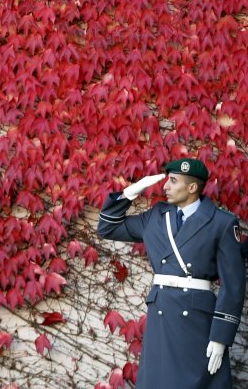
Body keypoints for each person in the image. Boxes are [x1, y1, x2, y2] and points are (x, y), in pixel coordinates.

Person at [97, 158, 245, 389]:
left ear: (192, 187)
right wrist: (130, 192)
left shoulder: (221, 223)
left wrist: (221, 336)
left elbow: (233, 285)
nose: (165, 187)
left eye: (173, 181)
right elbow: (108, 227)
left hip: (198, 320)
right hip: (161, 315)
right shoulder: (157, 216)